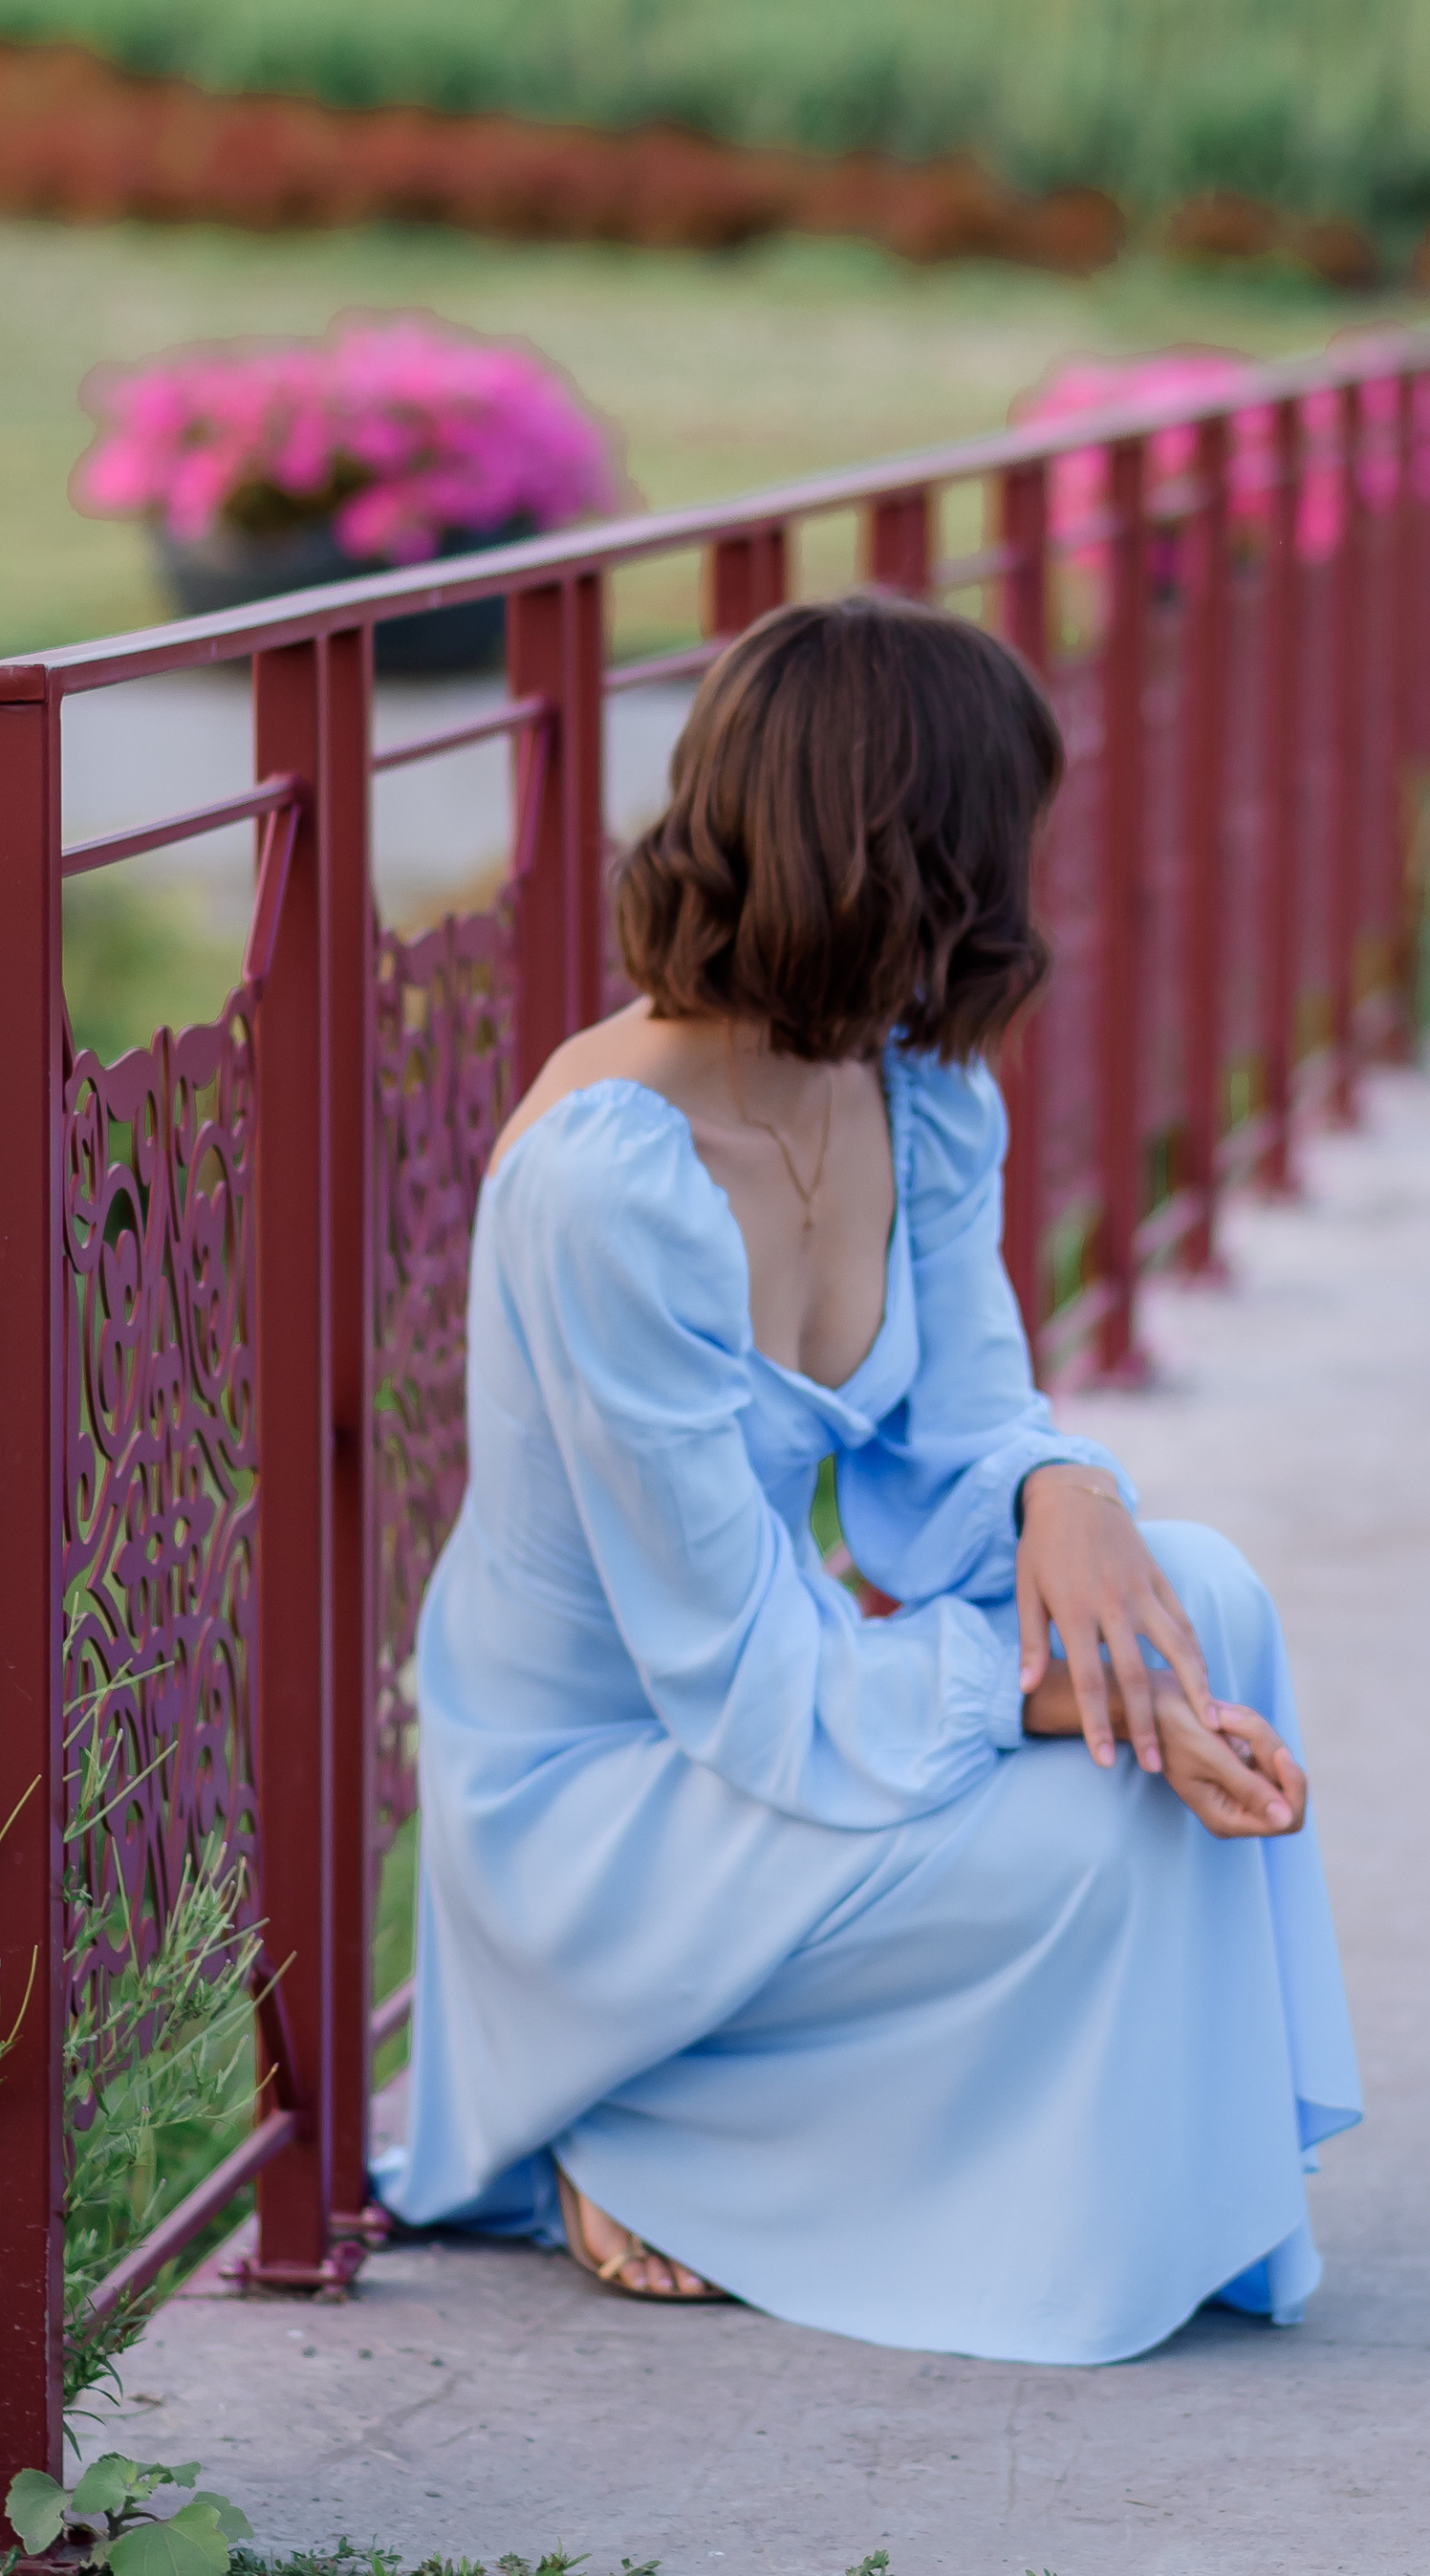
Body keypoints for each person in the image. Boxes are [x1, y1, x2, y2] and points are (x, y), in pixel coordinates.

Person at [376, 595, 1360, 2362]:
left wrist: (1071, 1496)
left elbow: (962, 1445)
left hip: (778, 1691)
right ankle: (646, 2118)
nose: (1024, 890)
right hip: (612, 1798)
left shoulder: (910, 1089)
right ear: (909, 858)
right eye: (1005, 844)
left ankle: (1110, 2191)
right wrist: (1051, 1699)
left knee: (1204, 1602)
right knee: (1105, 1832)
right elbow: (740, 1685)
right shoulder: (614, 1178)